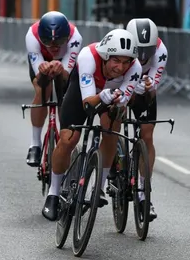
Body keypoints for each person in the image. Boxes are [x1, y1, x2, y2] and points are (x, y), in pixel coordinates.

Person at [42, 29, 141, 221]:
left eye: (125, 62)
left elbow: (121, 105)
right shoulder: (88, 57)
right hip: (83, 92)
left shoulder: (134, 68)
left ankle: (100, 187)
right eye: (116, 61)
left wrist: (116, 104)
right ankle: (53, 193)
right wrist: (101, 96)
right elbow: (87, 104)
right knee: (68, 139)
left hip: (111, 95)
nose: (120, 68)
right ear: (105, 57)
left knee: (112, 129)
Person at [25, 11, 83, 167]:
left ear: (66, 37)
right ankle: (35, 144)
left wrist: (60, 68)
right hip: (41, 61)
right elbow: (40, 79)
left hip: (64, 64)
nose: (53, 47)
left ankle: (64, 140)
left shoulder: (75, 37)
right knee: (43, 89)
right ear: (41, 38)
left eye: (59, 42)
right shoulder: (32, 35)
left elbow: (65, 76)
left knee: (66, 95)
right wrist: (44, 70)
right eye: (47, 42)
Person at [125, 18, 168, 222]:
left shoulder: (161, 52)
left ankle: (143, 191)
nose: (143, 57)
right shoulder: (121, 44)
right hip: (123, 84)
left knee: (147, 136)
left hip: (145, 90)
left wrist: (149, 86)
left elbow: (153, 89)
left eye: (147, 51)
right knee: (112, 125)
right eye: (139, 50)